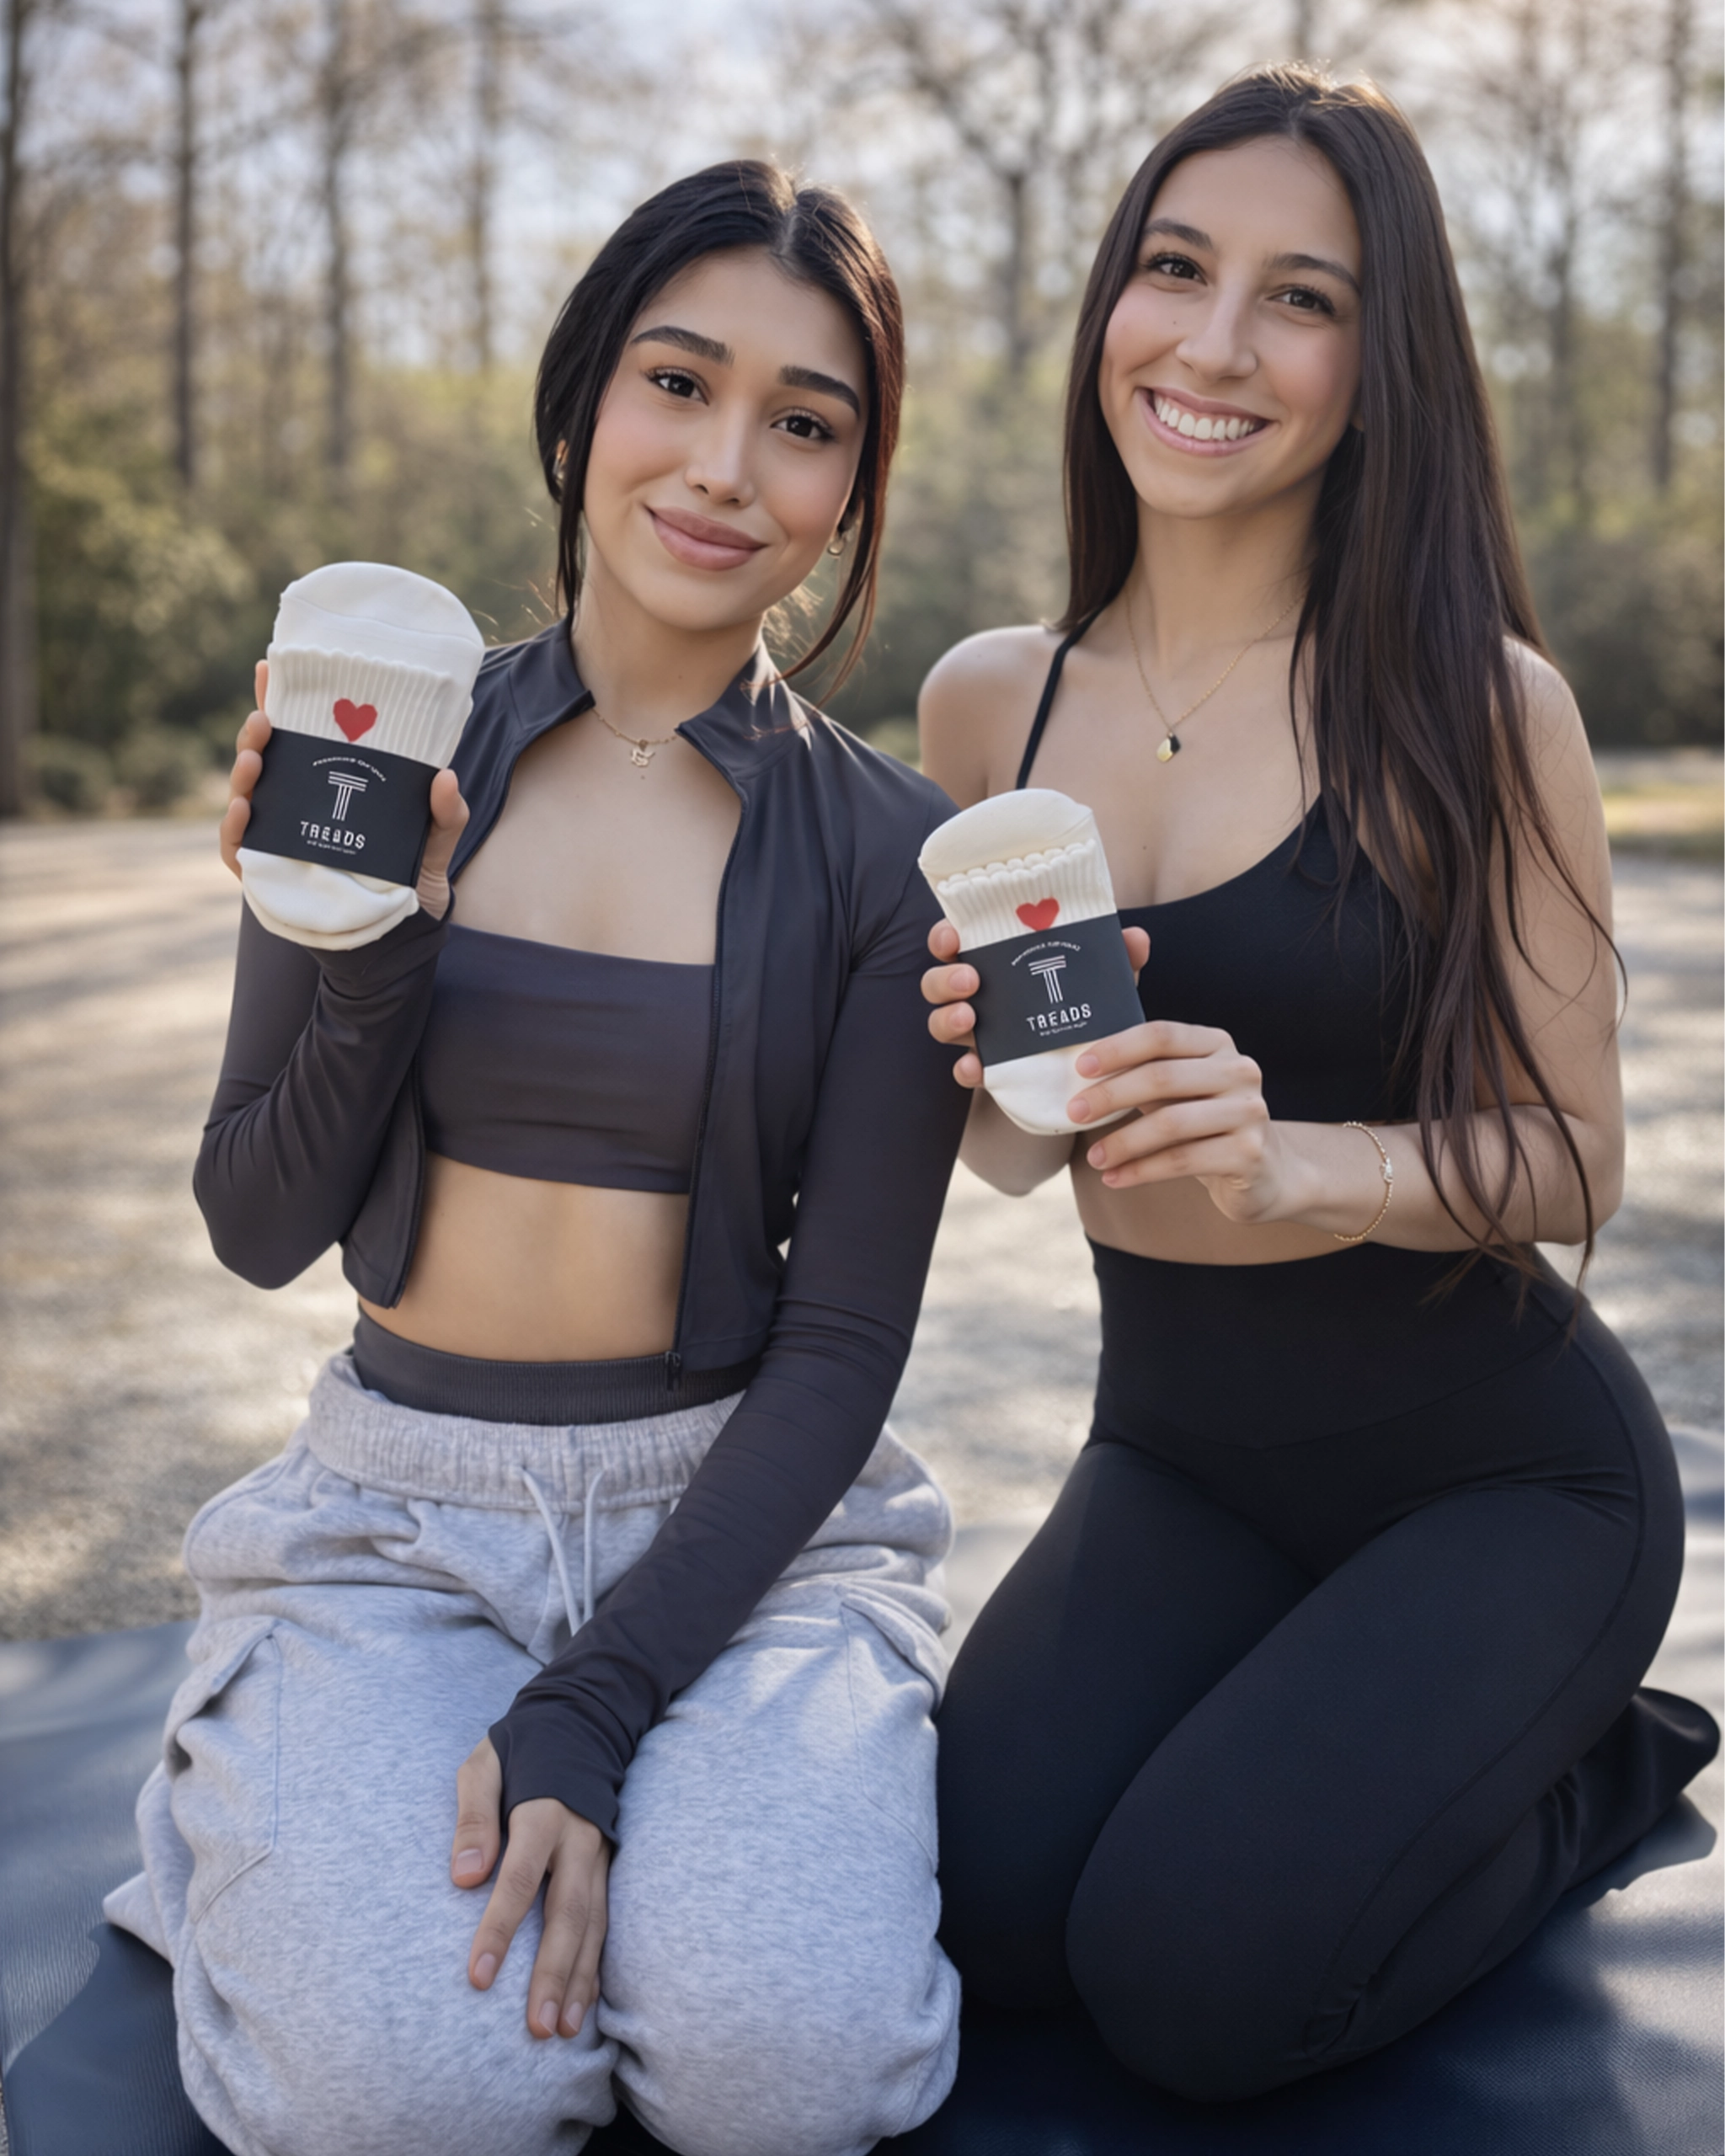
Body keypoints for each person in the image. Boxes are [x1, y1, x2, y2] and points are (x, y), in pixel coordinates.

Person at [105, 161, 967, 2156]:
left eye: (806, 421)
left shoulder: (883, 849)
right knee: (418, 2094)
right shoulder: (380, 752)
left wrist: (599, 1698)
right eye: (679, 381)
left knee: (788, 2068)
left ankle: (676, 1820)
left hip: (745, 1538)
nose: (727, 466)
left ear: (850, 486)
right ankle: (252, 1785)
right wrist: (378, 936)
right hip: (395, 1526)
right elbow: (256, 1221)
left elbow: (838, 1348)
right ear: (581, 407)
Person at [918, 67, 1717, 2104]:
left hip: (1502, 1477)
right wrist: (971, 1076)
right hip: (1181, 1458)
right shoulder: (991, 700)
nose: (1209, 344)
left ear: (1383, 367)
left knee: (1189, 1986)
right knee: (984, 1915)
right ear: (1109, 299)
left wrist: (1305, 1164)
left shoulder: (1473, 708)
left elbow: (1572, 1155)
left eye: (1301, 297)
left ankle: (1584, 1767)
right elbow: (1020, 1145)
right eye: (1175, 270)